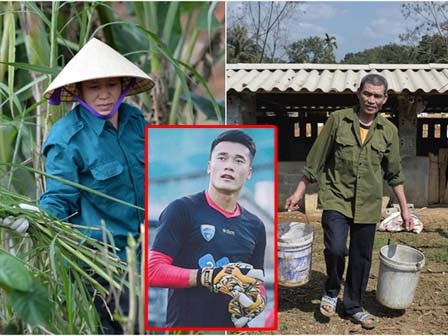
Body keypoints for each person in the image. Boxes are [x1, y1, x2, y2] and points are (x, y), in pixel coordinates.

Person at [1, 37, 154, 334]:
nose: (104, 95)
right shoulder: (66, 139)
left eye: (111, 85)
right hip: (105, 265)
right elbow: (59, 198)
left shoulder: (137, 121)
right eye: (94, 87)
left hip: (150, 256)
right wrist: (33, 216)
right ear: (80, 91)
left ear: (123, 85)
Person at [285, 74, 414, 330]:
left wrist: (405, 210)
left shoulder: (388, 131)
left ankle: (353, 305)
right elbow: (316, 160)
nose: (371, 100)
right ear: (359, 93)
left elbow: (394, 174)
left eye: (377, 96)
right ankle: (332, 291)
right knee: (335, 248)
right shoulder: (338, 120)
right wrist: (299, 191)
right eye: (367, 94)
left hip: (368, 203)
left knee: (361, 257)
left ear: (385, 99)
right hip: (336, 197)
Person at [148, 130, 267, 328]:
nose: (229, 165)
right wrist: (206, 276)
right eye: (222, 158)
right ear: (209, 167)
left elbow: (257, 281)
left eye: (239, 160)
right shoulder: (181, 209)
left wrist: (258, 300)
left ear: (249, 173)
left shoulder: (256, 225)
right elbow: (153, 271)